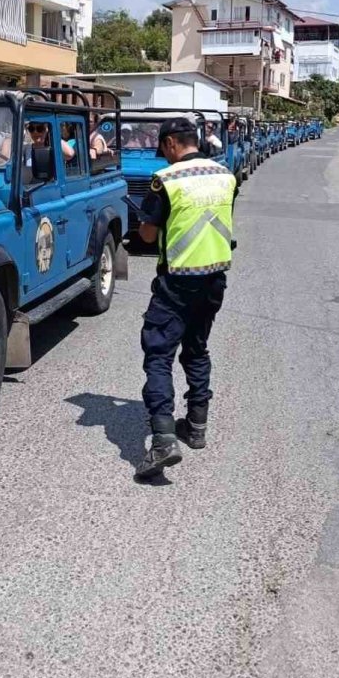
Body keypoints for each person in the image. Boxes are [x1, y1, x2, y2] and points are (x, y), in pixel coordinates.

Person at [133, 117, 237, 480]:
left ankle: (162, 441)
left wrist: (145, 218)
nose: (163, 155)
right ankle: (196, 425)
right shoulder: (226, 175)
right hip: (214, 279)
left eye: (163, 148)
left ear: (171, 144)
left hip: (177, 283)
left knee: (159, 354)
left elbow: (147, 236)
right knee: (196, 349)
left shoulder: (166, 181)